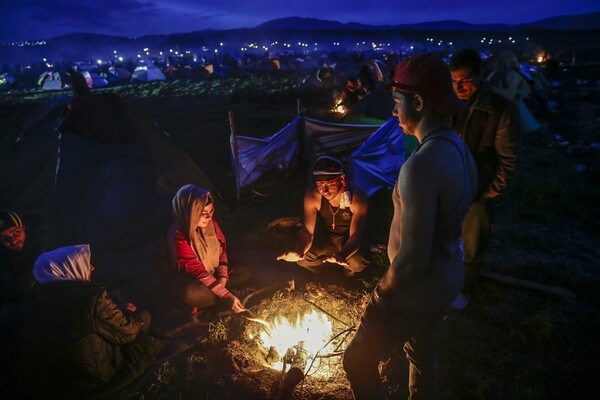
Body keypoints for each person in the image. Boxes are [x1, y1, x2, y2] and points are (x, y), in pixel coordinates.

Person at [343, 53, 477, 399]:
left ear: (417, 102)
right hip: (447, 277)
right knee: (423, 352)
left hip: (416, 290)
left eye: (397, 101)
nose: (393, 111)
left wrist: (380, 293)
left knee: (357, 361)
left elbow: (412, 258)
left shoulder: (420, 165)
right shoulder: (459, 150)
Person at [18, 244, 162, 399]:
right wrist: (129, 313)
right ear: (69, 268)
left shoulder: (33, 298)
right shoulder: (90, 297)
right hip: (90, 376)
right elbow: (127, 332)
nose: (91, 268)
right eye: (84, 263)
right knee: (143, 317)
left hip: (49, 376)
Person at [449, 48, 521, 309]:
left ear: (480, 76)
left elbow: (508, 159)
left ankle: (463, 292)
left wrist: (491, 192)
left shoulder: (500, 109)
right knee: (443, 238)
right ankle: (442, 284)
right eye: (453, 80)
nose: (459, 86)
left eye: (465, 79)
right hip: (449, 187)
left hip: (479, 190)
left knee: (471, 245)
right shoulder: (448, 106)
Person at [164, 184, 249, 316]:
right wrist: (225, 294)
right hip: (194, 281)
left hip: (213, 274)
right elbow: (198, 272)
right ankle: (226, 299)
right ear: (189, 212)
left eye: (211, 211)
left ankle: (220, 298)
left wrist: (222, 280)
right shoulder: (178, 235)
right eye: (203, 213)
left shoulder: (211, 223)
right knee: (190, 294)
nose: (209, 217)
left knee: (246, 272)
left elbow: (222, 251)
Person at [277, 156, 369, 277]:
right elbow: (307, 233)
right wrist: (299, 252)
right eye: (320, 184)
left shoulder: (357, 197)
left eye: (329, 184)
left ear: (341, 179)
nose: (324, 190)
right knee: (304, 259)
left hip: (348, 241)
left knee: (356, 263)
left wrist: (342, 255)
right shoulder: (313, 196)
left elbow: (355, 236)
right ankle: (327, 276)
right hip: (328, 239)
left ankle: (348, 274)